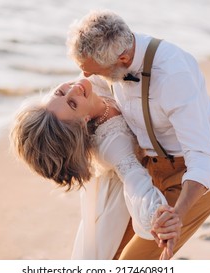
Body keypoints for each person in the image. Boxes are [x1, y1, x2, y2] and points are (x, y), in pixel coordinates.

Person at [65, 9, 210, 259]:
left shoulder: (173, 75)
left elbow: (202, 157)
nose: (86, 76)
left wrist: (177, 215)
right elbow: (88, 88)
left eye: (93, 71)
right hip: (149, 170)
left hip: (193, 176)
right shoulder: (112, 55)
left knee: (132, 263)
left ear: (122, 58)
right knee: (109, 254)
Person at [10, 78, 181, 260]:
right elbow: (135, 180)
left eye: (59, 93)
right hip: (130, 183)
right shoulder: (113, 142)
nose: (74, 89)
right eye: (73, 104)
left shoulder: (88, 85)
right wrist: (157, 215)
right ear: (83, 123)